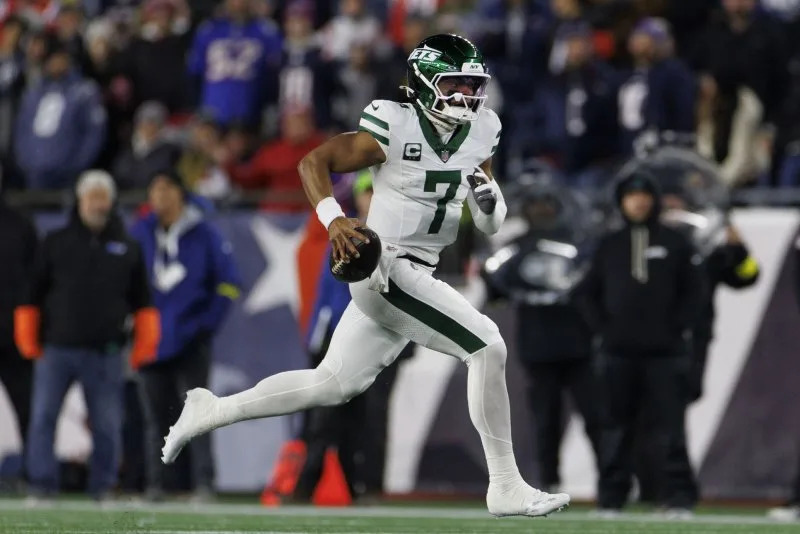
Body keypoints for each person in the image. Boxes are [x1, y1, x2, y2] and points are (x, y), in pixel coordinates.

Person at [161, 34, 570, 518]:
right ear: (423, 84)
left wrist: (491, 205)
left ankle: (212, 410)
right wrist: (334, 218)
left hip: (420, 268)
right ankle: (504, 483)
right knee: (487, 345)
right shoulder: (395, 122)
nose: (467, 95)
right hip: (384, 265)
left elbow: (487, 219)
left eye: (472, 84)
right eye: (455, 84)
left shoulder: (483, 129)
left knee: (332, 383)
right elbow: (314, 161)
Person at [16, 170, 159, 502]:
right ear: (80, 200)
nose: (97, 203)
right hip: (57, 348)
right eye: (91, 196)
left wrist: (145, 344)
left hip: (106, 351)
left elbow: (143, 302)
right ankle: (41, 485)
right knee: (42, 419)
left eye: (102, 196)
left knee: (108, 425)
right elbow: (32, 293)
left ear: (110, 201)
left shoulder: (127, 246)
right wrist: (27, 336)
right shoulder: (55, 242)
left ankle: (102, 487)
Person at [576, 171, 705, 516]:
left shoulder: (677, 242)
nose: (639, 201)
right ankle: (611, 499)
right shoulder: (609, 244)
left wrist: (677, 327)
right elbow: (586, 294)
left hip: (666, 353)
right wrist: (604, 330)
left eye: (645, 195)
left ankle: (679, 498)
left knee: (671, 430)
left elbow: (696, 293)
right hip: (618, 353)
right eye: (631, 196)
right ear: (621, 202)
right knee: (614, 430)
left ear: (655, 200)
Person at [293, 171, 411, 502]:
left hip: (383, 341)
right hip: (340, 343)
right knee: (326, 416)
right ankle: (310, 486)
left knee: (371, 419)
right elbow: (325, 296)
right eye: (367, 191)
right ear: (357, 197)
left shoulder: (406, 239)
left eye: (377, 191)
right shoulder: (344, 236)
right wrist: (317, 342)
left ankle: (368, 488)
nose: (371, 198)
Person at [482, 180, 600, 493]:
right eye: (535, 205)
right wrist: (486, 270)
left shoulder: (576, 245)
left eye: (547, 204)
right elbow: (497, 289)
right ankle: (548, 481)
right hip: (538, 346)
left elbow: (590, 284)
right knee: (545, 421)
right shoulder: (517, 248)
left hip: (578, 343)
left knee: (597, 417)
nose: (541, 211)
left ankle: (610, 482)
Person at [131, 169, 241, 502]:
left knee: (199, 416)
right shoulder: (140, 232)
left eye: (165, 188)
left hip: (191, 338)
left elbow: (229, 283)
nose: (159, 196)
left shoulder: (205, 232)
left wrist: (205, 325)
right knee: (155, 419)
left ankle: (204, 484)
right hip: (150, 340)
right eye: (154, 190)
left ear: (180, 193)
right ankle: (158, 485)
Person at [13, 34, 107, 189]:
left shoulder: (85, 91)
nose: (56, 63)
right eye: (51, 58)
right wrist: (25, 162)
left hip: (69, 172)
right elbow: (21, 129)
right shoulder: (34, 92)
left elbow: (94, 133)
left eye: (61, 58)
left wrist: (77, 164)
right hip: (34, 172)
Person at [0, 190, 37, 488]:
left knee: (28, 409)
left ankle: (36, 475)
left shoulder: (21, 225)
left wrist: (30, 330)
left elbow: (35, 281)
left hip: (14, 336)